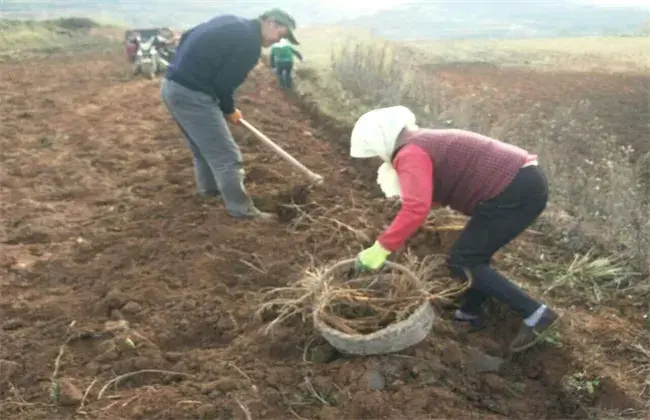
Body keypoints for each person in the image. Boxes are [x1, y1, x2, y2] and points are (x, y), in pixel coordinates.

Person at [350, 106, 559, 353]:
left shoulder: (411, 153)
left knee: (463, 260)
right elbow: (435, 192)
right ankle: (469, 313)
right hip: (520, 184)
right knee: (474, 255)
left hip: (514, 190)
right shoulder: (421, 143)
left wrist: (381, 247)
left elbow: (417, 207)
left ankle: (536, 314)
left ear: (382, 139)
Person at [161, 9, 299, 220]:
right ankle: (242, 211)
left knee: (203, 148)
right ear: (270, 23)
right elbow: (224, 84)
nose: (278, 40)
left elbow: (188, 35)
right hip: (193, 94)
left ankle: (209, 192)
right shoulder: (250, 43)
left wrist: (187, 67)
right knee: (227, 157)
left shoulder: (231, 21)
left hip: (172, 86)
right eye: (281, 34)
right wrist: (229, 109)